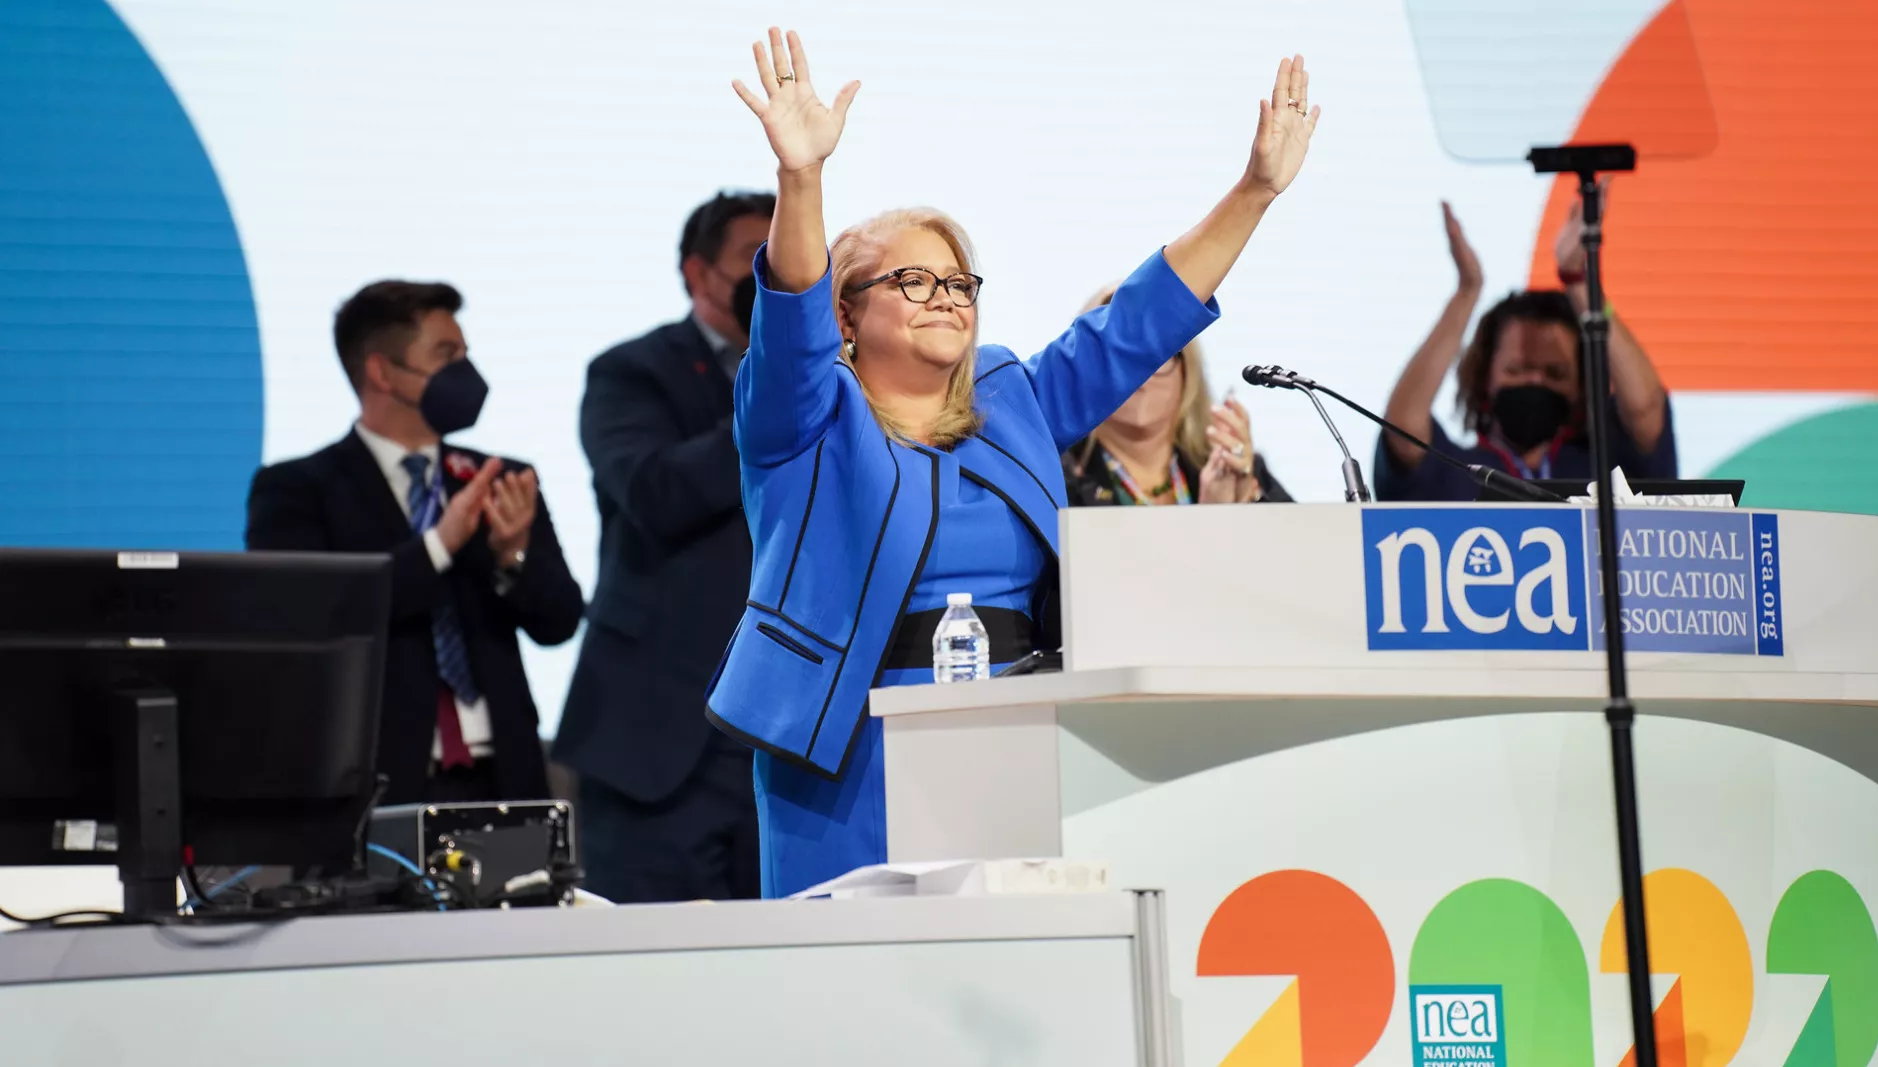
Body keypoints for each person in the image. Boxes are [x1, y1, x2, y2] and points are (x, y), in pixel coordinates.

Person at [706, 28, 1320, 897]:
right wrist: (800, 176)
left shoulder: (1008, 398)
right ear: (847, 316)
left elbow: (1137, 324)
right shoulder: (805, 420)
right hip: (850, 748)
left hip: (1020, 733)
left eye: (958, 283)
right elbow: (790, 318)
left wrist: (1255, 192)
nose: (945, 298)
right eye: (912, 281)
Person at [246, 281, 583, 804]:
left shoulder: (498, 478)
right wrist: (439, 545)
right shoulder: (298, 490)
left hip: (505, 778)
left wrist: (510, 555)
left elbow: (559, 622)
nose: (465, 372)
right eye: (445, 355)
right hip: (374, 785)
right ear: (382, 372)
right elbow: (308, 620)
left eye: (466, 354)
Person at [552, 193, 771, 903]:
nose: (777, 271)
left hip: (787, 740)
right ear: (698, 274)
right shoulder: (631, 372)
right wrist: (772, 398)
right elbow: (652, 492)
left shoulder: (840, 375)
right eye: (753, 257)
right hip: (662, 745)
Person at [1374, 192, 1676, 500]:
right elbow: (1403, 425)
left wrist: (1578, 282)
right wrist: (1467, 292)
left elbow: (1646, 407)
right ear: (1484, 377)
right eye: (1517, 369)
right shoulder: (1454, 468)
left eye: (1555, 373)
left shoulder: (1609, 472)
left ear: (1581, 387)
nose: (1535, 381)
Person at [1062, 285, 1291, 506]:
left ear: (1186, 369)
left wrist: (1251, 503)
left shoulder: (1237, 468)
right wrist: (1215, 521)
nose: (1140, 370)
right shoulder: (1056, 479)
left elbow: (1301, 543)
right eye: (1119, 353)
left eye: (1157, 349)